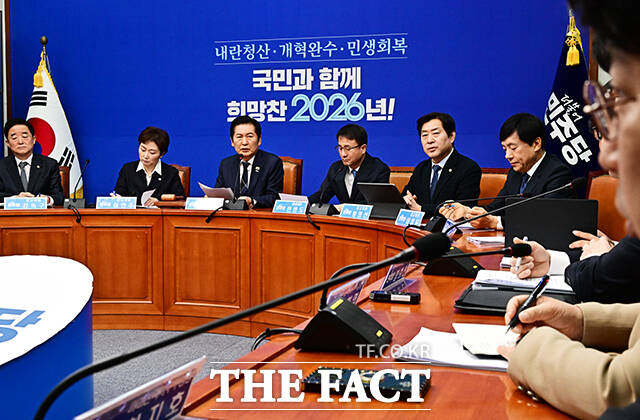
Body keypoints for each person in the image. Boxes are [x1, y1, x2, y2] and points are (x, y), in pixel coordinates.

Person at [496, 1, 640, 417]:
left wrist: (529, 348)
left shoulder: (558, 173)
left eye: (621, 106)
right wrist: (577, 320)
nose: (605, 155)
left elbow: (621, 391)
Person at [439, 113, 574, 229]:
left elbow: (547, 219)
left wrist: (495, 222)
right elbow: (496, 208)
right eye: (505, 149)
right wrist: (467, 212)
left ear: (536, 144)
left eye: (513, 148)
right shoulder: (515, 172)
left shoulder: (557, 173)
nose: (507, 155)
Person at [401, 112, 481, 217]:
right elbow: (406, 195)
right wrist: (407, 200)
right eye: (424, 135)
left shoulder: (468, 168)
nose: (429, 140)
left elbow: (464, 209)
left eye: (435, 133)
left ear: (451, 137)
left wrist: (421, 209)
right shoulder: (422, 168)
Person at [308, 124, 390, 205]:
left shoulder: (379, 170)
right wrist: (305, 203)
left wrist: (345, 208)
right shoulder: (336, 169)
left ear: (363, 148)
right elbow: (321, 196)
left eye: (348, 148)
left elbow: (378, 204)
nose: (343, 154)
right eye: (340, 148)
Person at [215, 115, 283, 208]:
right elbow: (219, 192)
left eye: (250, 136)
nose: (244, 142)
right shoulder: (226, 164)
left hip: (259, 214)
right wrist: (212, 198)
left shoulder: (272, 162)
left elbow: (274, 197)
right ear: (232, 141)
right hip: (231, 215)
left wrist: (252, 201)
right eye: (239, 137)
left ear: (259, 140)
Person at [114, 126, 185, 206]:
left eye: (152, 152)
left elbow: (180, 200)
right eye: (143, 150)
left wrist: (160, 201)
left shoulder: (171, 173)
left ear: (162, 154)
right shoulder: (127, 169)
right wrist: (117, 198)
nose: (145, 156)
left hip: (159, 213)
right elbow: (119, 194)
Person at [0, 118, 63, 206]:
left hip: (41, 214)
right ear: (8, 143)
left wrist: (48, 199)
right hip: (11, 214)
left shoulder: (49, 165)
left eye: (25, 136)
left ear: (33, 139)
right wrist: (15, 199)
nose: (20, 142)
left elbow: (59, 196)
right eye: (14, 138)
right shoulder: (1, 166)